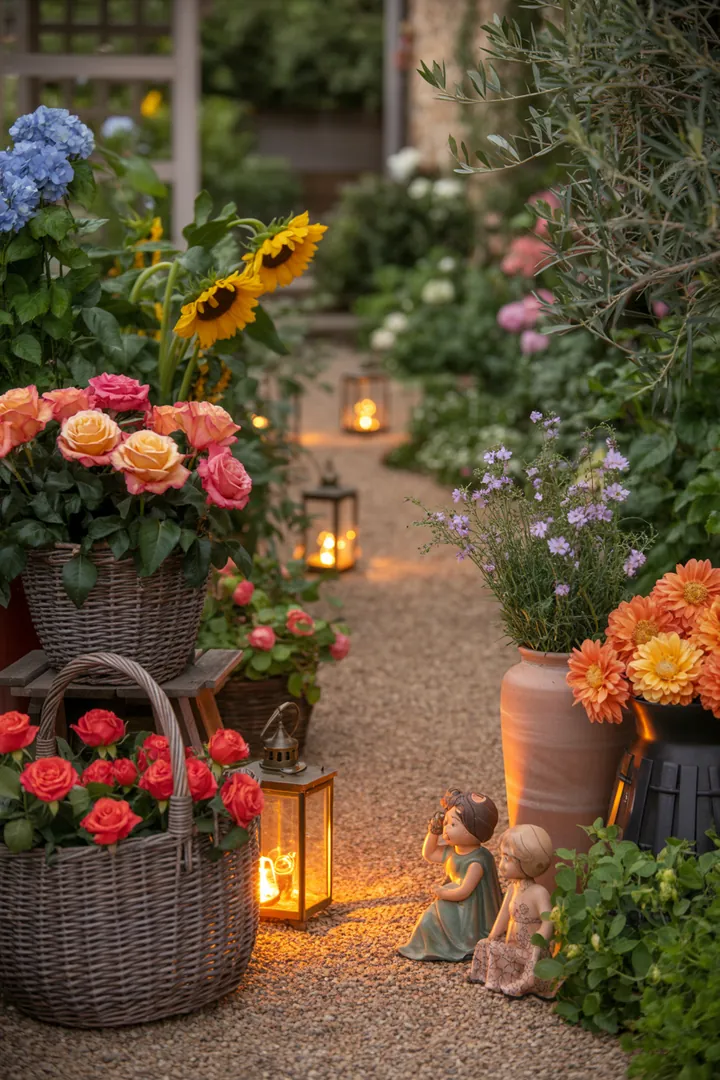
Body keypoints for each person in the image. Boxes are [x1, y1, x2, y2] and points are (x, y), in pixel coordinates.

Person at [398, 789, 502, 962]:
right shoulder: (452, 852)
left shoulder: (476, 861)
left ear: (474, 830)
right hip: (453, 900)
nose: (446, 829)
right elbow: (429, 854)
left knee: (432, 917)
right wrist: (434, 831)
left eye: (453, 825)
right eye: (445, 823)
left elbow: (464, 891)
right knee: (429, 918)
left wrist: (441, 893)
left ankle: (455, 944)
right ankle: (429, 946)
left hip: (470, 911)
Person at [468, 823, 555, 998]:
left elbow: (548, 921)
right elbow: (503, 916)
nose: (502, 865)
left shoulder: (538, 892)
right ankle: (487, 976)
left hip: (531, 953)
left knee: (532, 952)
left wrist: (538, 941)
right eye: (502, 858)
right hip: (513, 947)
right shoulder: (512, 889)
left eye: (508, 859)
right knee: (485, 944)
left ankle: (527, 981)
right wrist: (493, 935)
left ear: (528, 862)